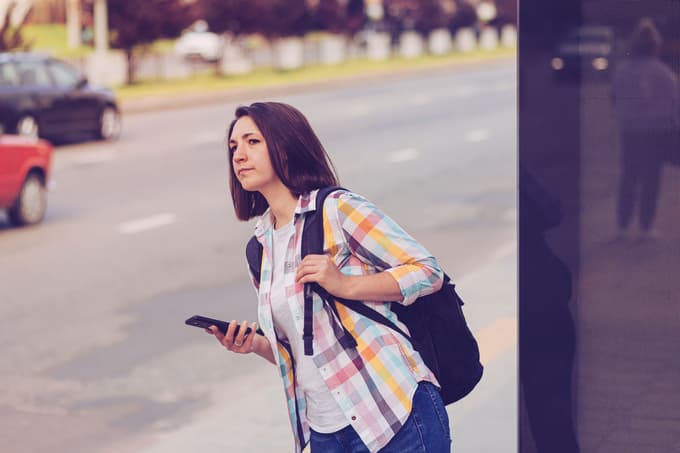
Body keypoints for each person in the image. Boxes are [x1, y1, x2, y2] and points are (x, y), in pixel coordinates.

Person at [206, 101, 451, 452]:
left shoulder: (336, 210)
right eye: (233, 147)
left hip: (394, 415)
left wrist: (346, 284)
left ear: (285, 147)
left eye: (252, 142)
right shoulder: (260, 248)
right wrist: (257, 344)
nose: (239, 155)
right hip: (325, 434)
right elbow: (305, 351)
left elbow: (428, 272)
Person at [612, 18, 679, 240]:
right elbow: (674, 104)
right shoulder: (664, 73)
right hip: (657, 131)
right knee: (651, 178)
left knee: (629, 176)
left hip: (630, 130)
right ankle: (645, 227)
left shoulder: (622, 71)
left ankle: (622, 225)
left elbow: (614, 98)